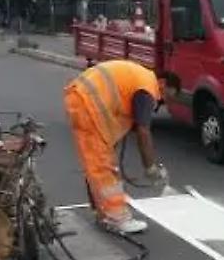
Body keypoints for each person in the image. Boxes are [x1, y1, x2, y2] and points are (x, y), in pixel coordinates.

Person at [63, 60, 168, 234]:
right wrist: (150, 167)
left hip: (82, 98)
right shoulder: (148, 88)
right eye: (169, 94)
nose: (164, 100)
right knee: (103, 166)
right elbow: (143, 131)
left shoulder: (139, 78)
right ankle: (118, 218)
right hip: (88, 104)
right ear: (163, 83)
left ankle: (102, 211)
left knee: (97, 163)